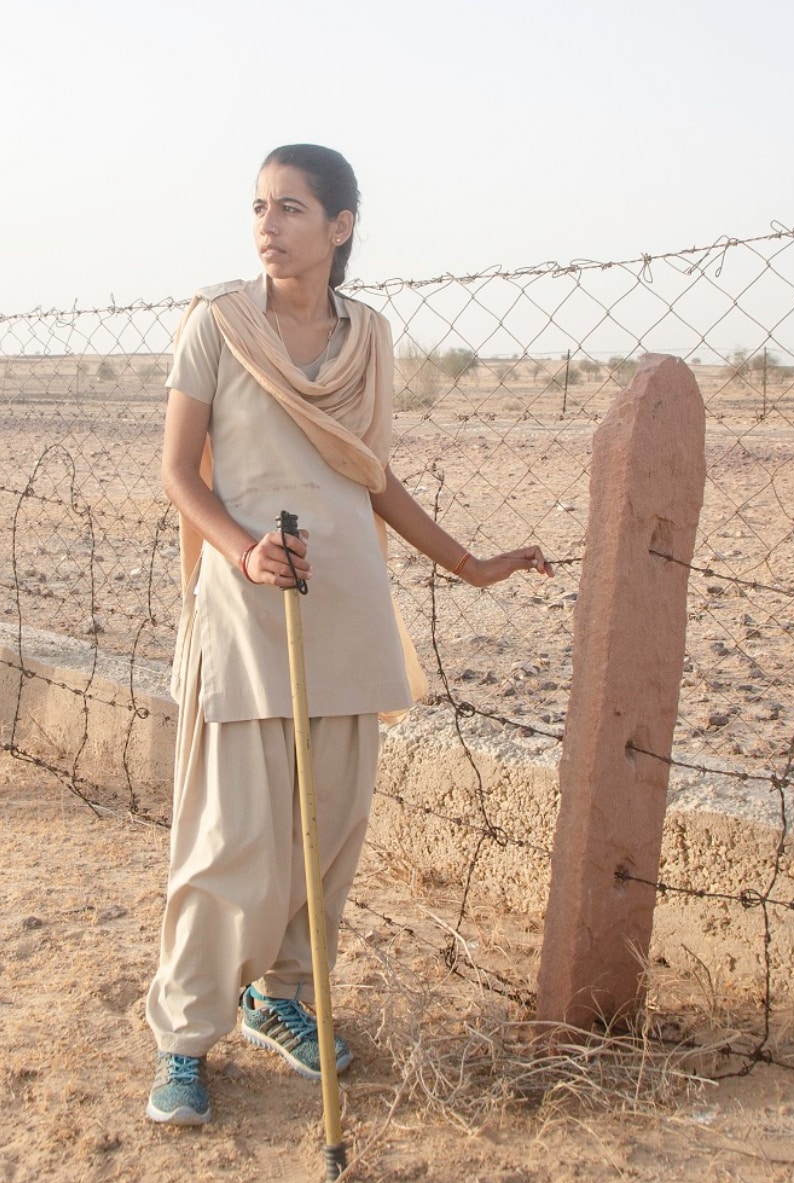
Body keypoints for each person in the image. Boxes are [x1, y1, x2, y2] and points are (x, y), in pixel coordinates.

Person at [146, 144, 552, 1126]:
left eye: (290, 208)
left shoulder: (369, 336)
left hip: (346, 605)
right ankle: (182, 1041)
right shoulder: (216, 323)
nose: (267, 225)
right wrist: (244, 552)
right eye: (258, 206)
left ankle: (276, 1003)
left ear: (341, 226)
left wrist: (465, 563)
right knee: (230, 838)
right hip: (246, 607)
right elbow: (179, 475)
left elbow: (369, 476)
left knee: (324, 833)